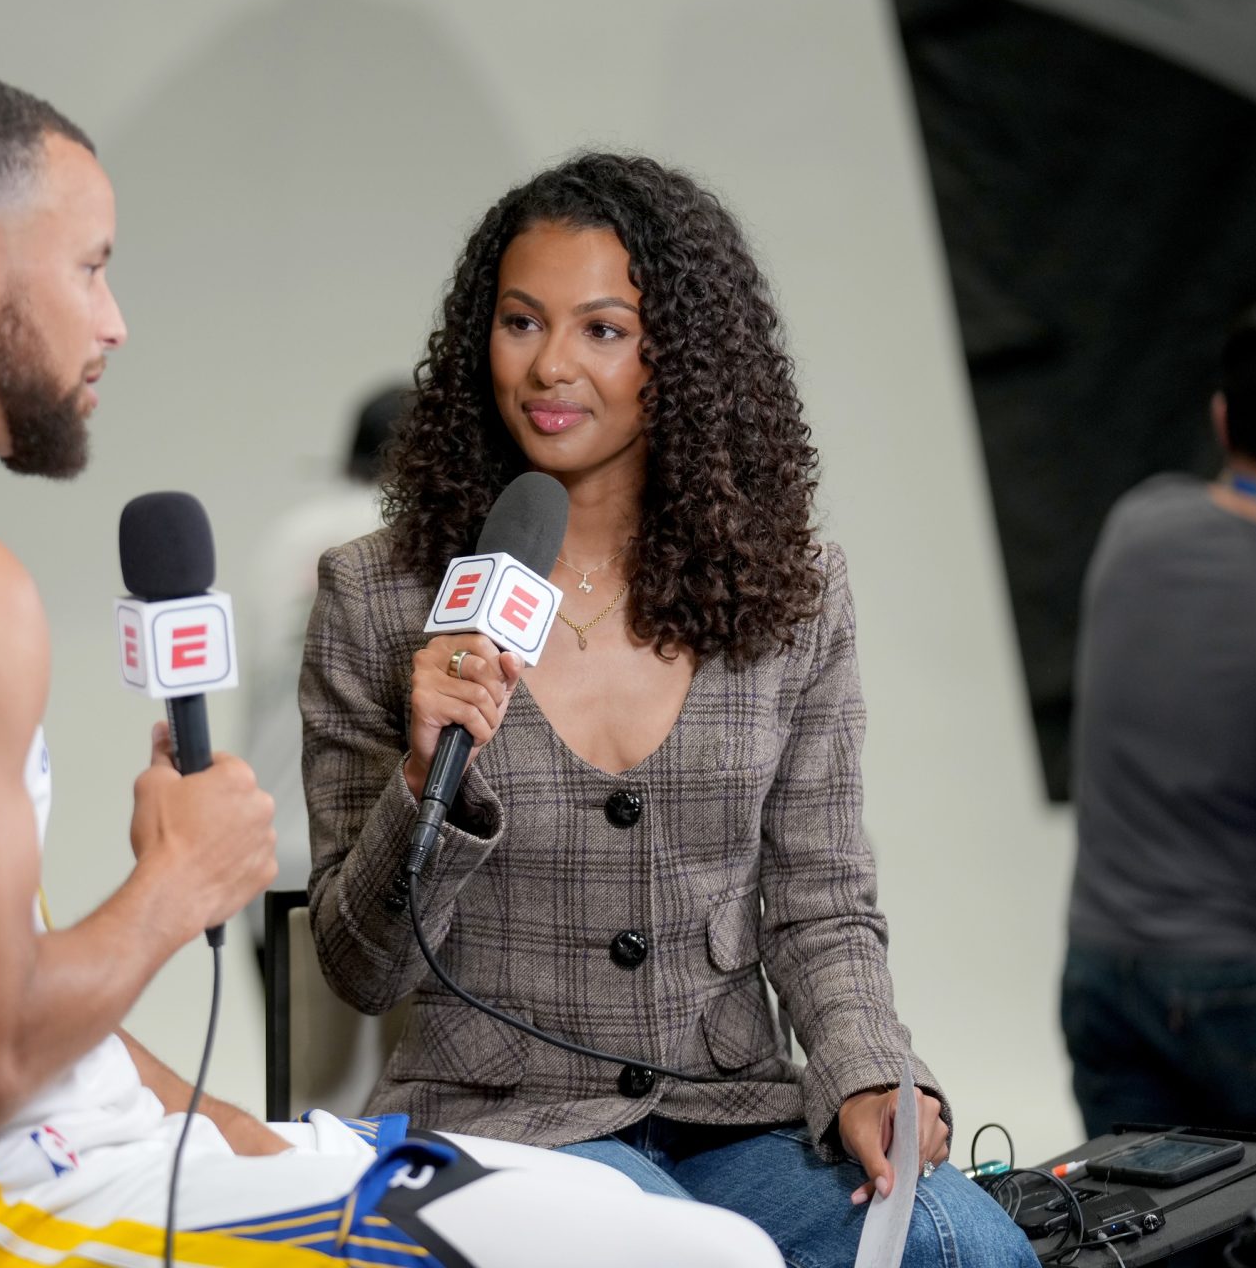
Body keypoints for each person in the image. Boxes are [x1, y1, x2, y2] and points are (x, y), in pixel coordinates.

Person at [0, 69, 783, 1267]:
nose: (113, 319)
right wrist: (176, 885)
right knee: (708, 1258)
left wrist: (243, 1134)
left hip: (42, 1163)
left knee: (662, 1227)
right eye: (88, 266)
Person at [301, 152, 1036, 1267]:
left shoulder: (794, 590)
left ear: (681, 357)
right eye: (520, 321)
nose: (550, 365)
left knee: (960, 1242)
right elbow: (362, 968)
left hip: (733, 1114)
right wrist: (420, 781)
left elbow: (822, 901)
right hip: (505, 1131)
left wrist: (873, 1069)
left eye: (602, 330)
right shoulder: (381, 594)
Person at [1062, 293, 1256, 1139]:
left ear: (1220, 417)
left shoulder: (1138, 522)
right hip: (1254, 992)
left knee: (1146, 1235)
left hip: (1102, 976)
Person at [243, 382, 412, 943]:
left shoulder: (284, 535)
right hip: (355, 850)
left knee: (282, 1030)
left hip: (262, 844)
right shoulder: (401, 543)